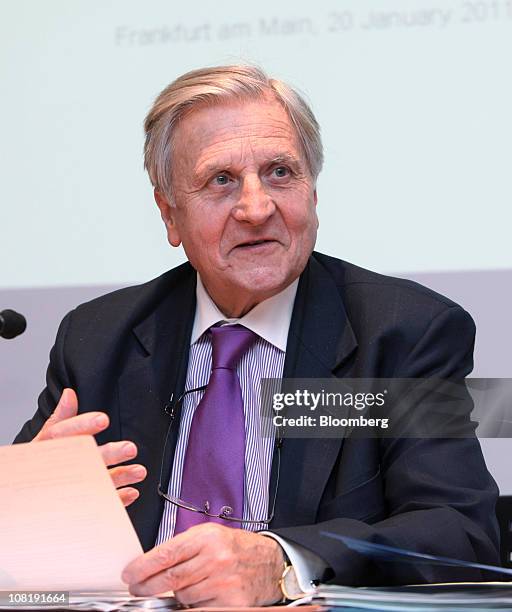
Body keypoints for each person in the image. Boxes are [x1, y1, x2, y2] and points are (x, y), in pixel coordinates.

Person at [15, 65, 499, 607]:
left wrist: (283, 563)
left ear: (313, 193)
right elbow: (23, 542)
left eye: (279, 173)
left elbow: (461, 531)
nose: (256, 208)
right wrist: (30, 501)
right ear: (169, 214)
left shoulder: (403, 333)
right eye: (221, 181)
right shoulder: (98, 338)